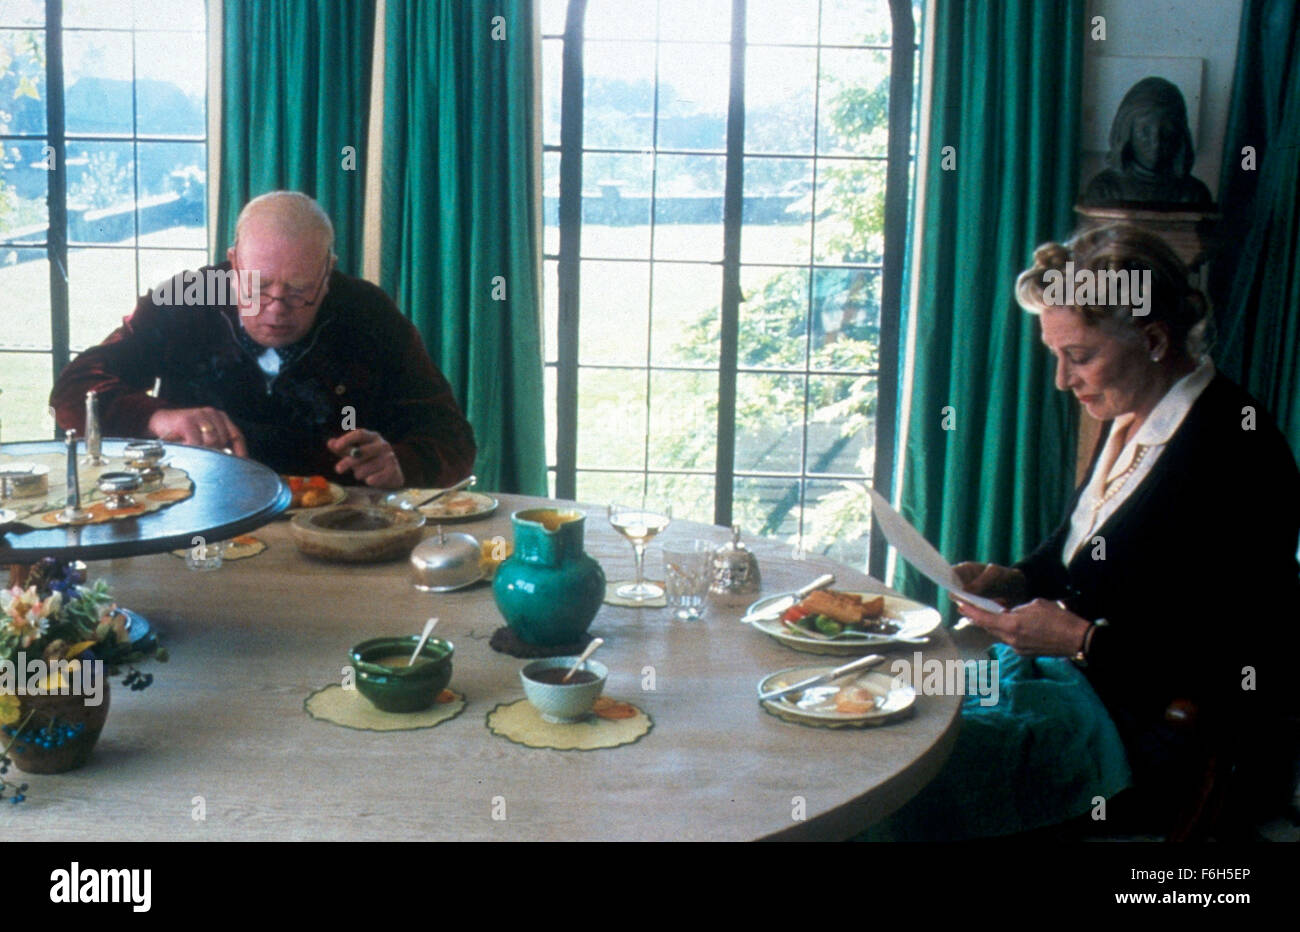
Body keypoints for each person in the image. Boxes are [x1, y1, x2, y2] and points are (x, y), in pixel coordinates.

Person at [869, 224, 1299, 841]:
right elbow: (1079, 552)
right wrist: (1015, 579)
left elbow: (1246, 659)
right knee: (883, 702)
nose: (1062, 382)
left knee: (905, 775)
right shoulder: (1131, 415)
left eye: (1081, 357)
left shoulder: (1235, 447)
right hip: (1064, 686)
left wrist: (1082, 640)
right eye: (1056, 357)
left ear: (1152, 339)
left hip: (1142, 730)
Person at [50, 191, 475, 489]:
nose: (275, 309)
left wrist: (402, 463)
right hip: (199, 511)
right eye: (256, 286)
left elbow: (452, 438)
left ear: (328, 272)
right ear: (233, 262)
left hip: (337, 523)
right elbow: (72, 391)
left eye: (299, 291)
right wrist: (157, 418)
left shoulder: (368, 313)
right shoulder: (186, 297)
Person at [1080, 76, 1214, 207]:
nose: (1156, 141)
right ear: (1127, 132)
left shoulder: (1194, 194)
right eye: (1145, 131)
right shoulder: (1105, 189)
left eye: (1166, 131)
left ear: (1179, 134)